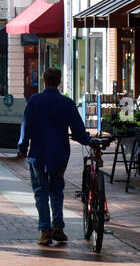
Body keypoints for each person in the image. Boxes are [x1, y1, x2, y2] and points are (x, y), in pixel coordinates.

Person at [17, 67, 92, 246]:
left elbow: (26, 126)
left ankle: (45, 230)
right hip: (59, 153)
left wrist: (22, 147)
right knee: (57, 190)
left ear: (44, 80)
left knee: (41, 192)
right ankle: (58, 226)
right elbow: (78, 131)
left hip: (38, 153)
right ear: (59, 82)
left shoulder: (35, 101)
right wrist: (87, 141)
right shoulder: (67, 103)